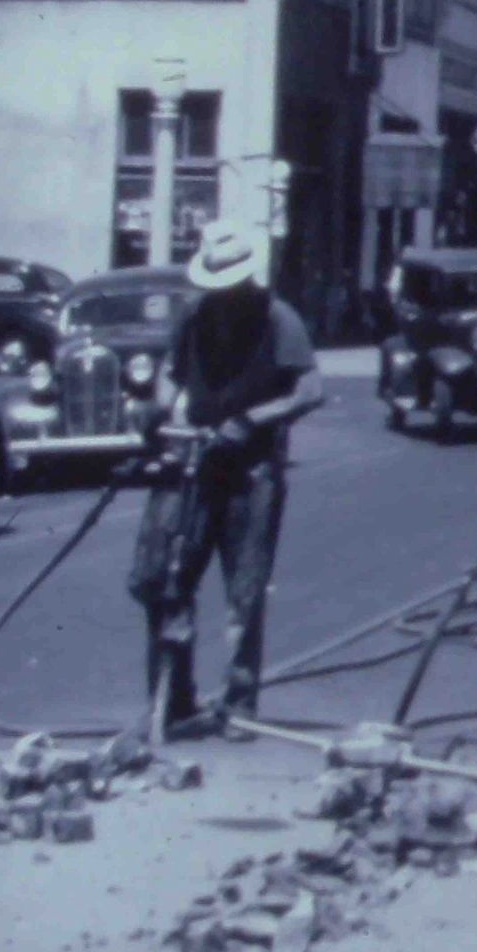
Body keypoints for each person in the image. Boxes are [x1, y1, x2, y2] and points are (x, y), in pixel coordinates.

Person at [128, 223, 325, 734]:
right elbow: (173, 379)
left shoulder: (278, 319)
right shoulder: (193, 316)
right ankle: (174, 699)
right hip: (195, 462)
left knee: (244, 591)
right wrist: (158, 414)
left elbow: (309, 390)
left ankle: (239, 702)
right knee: (168, 580)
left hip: (251, 472)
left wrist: (252, 420)